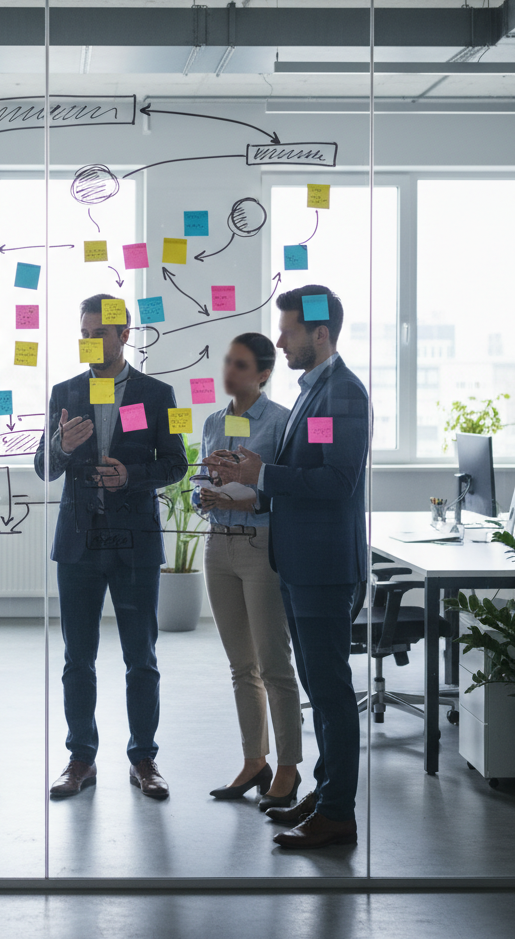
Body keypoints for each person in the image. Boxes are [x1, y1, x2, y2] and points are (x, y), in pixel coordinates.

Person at [211, 285, 369, 850]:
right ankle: (327, 795)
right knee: (319, 687)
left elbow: (337, 481)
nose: (280, 341)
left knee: (329, 690)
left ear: (320, 334)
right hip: (302, 563)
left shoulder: (342, 395)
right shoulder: (313, 392)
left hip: (324, 567)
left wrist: (264, 476)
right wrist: (251, 472)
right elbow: (309, 470)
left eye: (289, 331)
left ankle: (338, 815)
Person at [35, 294, 188, 800]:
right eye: (84, 331)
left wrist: (131, 476)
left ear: (125, 336)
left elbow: (175, 465)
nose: (90, 340)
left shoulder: (156, 393)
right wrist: (62, 446)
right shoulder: (65, 391)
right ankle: (81, 759)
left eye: (99, 332)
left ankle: (144, 759)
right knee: (78, 659)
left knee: (140, 657)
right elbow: (44, 467)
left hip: (134, 543)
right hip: (80, 544)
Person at [197, 334, 303, 809]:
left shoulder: (281, 422)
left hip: (261, 546)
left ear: (262, 373)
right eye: (227, 361)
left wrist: (247, 490)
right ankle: (253, 760)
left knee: (274, 665)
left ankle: (288, 768)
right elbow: (206, 483)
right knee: (242, 666)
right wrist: (207, 494)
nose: (230, 371)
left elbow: (283, 490)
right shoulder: (214, 421)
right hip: (219, 545)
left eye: (240, 364)